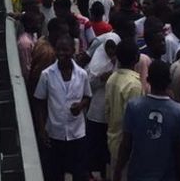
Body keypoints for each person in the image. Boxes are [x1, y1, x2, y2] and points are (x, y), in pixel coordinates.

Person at [113, 59, 180, 181]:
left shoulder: (134, 107)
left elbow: (126, 144)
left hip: (137, 175)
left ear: (148, 80)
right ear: (169, 82)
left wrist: (118, 170)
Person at [34, 35, 92, 181]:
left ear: (73, 51)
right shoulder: (47, 75)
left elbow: (87, 96)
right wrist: (42, 129)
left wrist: (80, 106)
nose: (61, 53)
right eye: (58, 50)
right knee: (55, 172)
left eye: (65, 50)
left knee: (79, 172)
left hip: (77, 133)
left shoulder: (82, 74)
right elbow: (40, 102)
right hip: (55, 132)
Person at [106, 39, 144, 175]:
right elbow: (133, 122)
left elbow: (108, 110)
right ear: (137, 58)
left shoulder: (112, 78)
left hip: (113, 139)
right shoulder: (134, 84)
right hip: (126, 147)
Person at [87, 33, 120, 179]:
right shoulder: (97, 60)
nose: (111, 51)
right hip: (96, 110)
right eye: (109, 47)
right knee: (95, 147)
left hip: (112, 110)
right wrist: (101, 78)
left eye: (114, 48)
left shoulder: (119, 61)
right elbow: (88, 83)